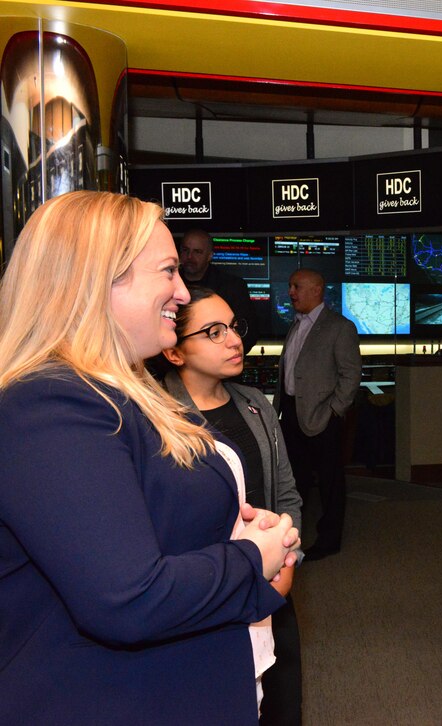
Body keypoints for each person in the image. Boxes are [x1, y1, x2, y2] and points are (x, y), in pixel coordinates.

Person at [0, 191, 298, 724]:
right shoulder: (51, 402)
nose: (182, 291)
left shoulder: (119, 392)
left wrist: (244, 538)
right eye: (167, 271)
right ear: (100, 280)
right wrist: (252, 558)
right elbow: (128, 598)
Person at [162, 287, 305, 726]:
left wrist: (288, 561)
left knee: (282, 706)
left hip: (274, 587)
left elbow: (286, 494)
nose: (234, 340)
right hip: (208, 596)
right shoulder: (158, 418)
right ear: (174, 353)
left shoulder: (256, 405)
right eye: (214, 332)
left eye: (234, 328)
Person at [273, 268, 361, 561]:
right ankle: (292, 536)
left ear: (317, 289)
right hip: (291, 416)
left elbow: (350, 375)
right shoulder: (295, 325)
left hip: (323, 419)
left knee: (330, 483)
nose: (291, 292)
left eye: (296, 286)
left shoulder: (339, 327)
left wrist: (334, 411)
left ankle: (329, 540)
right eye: (290, 286)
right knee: (293, 481)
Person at [179, 228, 260, 353]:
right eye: (185, 250)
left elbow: (248, 334)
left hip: (219, 366)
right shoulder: (166, 284)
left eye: (197, 252)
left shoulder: (233, 287)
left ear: (209, 256)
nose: (190, 257)